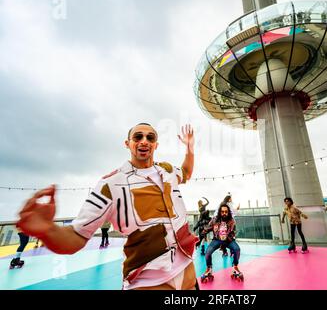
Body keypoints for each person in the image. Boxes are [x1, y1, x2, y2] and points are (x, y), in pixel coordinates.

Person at [17, 123, 199, 290]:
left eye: (150, 138)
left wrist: (189, 148)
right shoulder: (111, 184)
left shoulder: (167, 170)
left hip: (189, 276)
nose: (144, 141)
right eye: (138, 137)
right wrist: (47, 230)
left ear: (156, 145)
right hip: (147, 282)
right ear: (127, 143)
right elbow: (76, 235)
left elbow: (186, 172)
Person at [201, 204, 243, 281]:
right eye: (222, 211)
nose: (224, 213)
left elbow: (234, 232)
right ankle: (209, 268)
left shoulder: (232, 221)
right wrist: (203, 232)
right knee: (208, 252)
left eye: (226, 212)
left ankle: (235, 266)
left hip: (228, 240)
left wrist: (228, 237)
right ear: (220, 212)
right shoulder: (215, 220)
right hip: (217, 240)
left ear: (228, 212)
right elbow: (208, 228)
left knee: (237, 249)